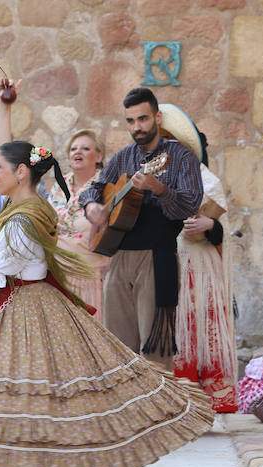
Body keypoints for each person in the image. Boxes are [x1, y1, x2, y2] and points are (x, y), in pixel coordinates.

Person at [0, 79, 214, 467]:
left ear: (20, 174)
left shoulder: (21, 219)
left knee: (41, 409)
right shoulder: (24, 203)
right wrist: (3, 105)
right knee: (39, 409)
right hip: (30, 309)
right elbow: (6, 151)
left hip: (29, 314)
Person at [80, 87, 203, 371]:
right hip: (120, 257)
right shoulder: (124, 156)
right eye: (131, 121)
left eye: (143, 119)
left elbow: (189, 206)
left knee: (155, 350)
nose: (137, 127)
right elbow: (95, 187)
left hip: (156, 258)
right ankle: (128, 412)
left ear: (157, 117)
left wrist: (158, 188)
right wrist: (91, 207)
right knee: (118, 348)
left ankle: (160, 413)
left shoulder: (181, 157)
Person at [157, 106, 238, 413]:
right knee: (174, 331)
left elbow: (224, 232)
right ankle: (177, 399)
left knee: (202, 328)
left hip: (201, 270)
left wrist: (209, 226)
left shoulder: (209, 181)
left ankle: (209, 398)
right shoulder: (157, 181)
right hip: (168, 265)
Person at [47, 129, 110, 322]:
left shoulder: (107, 186)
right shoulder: (59, 186)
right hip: (59, 275)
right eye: (73, 148)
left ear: (98, 156)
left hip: (91, 276)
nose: (78, 152)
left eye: (85, 148)